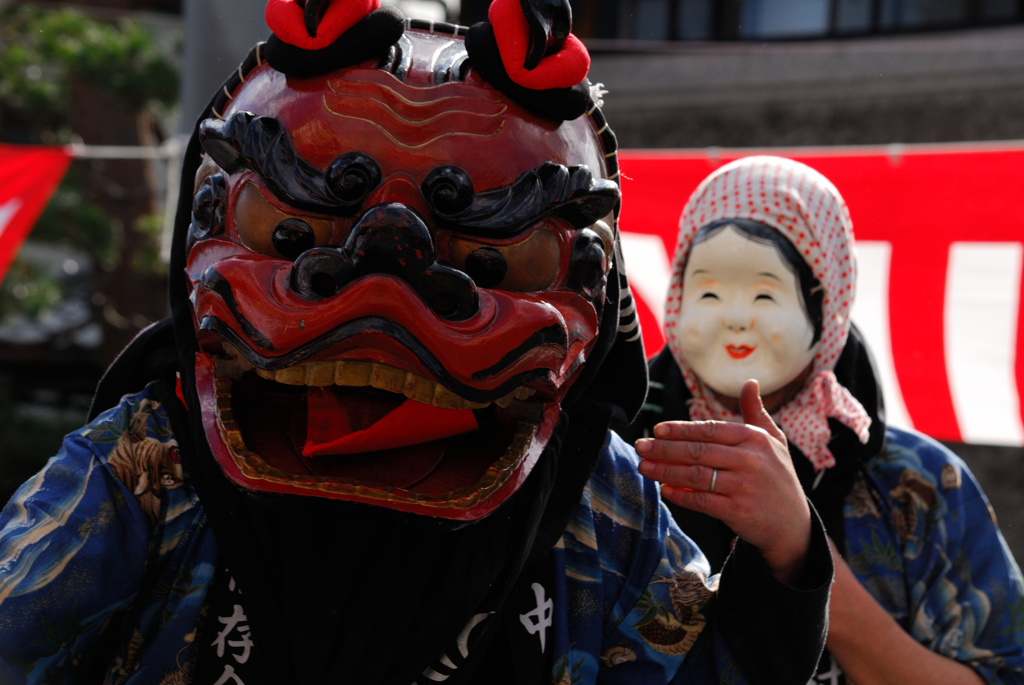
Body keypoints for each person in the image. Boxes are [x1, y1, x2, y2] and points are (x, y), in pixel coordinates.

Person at [0, 5, 832, 685]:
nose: (383, 306)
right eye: (295, 235)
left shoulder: (591, 504)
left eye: (484, 262)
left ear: (593, 284)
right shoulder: (146, 471)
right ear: (208, 220)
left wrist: (788, 550)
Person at [622, 155, 1024, 684]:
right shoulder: (621, 465)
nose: (735, 316)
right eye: (710, 291)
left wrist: (803, 553)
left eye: (765, 293)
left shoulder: (918, 484)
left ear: (827, 301)